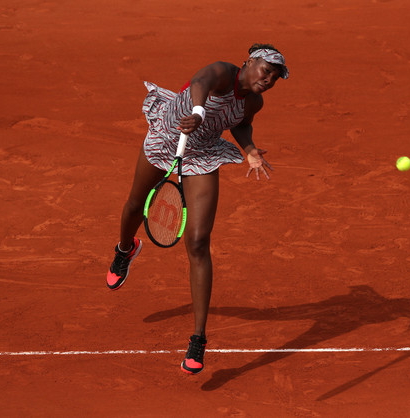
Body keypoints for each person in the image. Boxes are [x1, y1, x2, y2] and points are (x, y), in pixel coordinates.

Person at [105, 43, 289, 374]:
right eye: (266, 70)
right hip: (167, 136)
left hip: (201, 153)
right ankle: (125, 248)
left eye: (275, 77)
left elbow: (241, 123)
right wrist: (199, 111)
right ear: (248, 62)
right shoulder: (222, 72)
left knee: (199, 241)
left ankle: (198, 338)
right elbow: (199, 82)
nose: (269, 79)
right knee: (135, 204)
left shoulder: (254, 101)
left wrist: (248, 149)